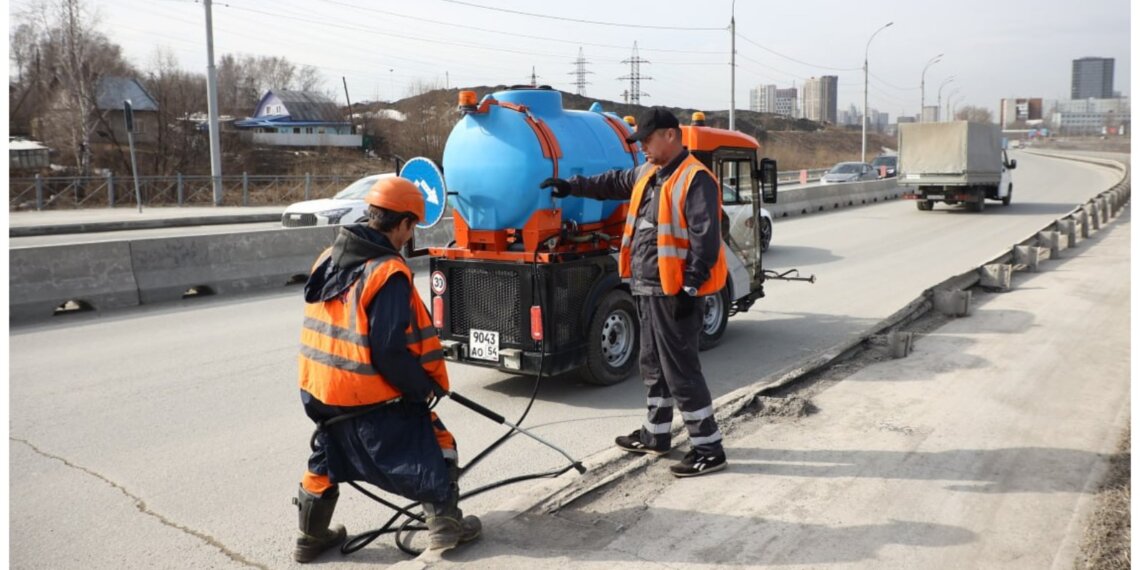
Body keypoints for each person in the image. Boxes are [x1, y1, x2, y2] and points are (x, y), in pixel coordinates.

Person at [292, 176, 480, 563]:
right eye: (411, 227)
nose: (408, 237)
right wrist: (420, 388)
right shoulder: (387, 272)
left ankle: (309, 538)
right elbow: (388, 348)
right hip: (365, 395)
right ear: (404, 223)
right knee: (437, 444)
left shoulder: (327, 258)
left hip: (319, 392)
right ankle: (445, 529)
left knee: (329, 452)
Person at [541, 107, 728, 478]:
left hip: (674, 292)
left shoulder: (695, 178)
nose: (642, 146)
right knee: (653, 365)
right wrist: (572, 186)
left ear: (671, 135)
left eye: (646, 139)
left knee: (681, 371)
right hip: (646, 287)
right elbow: (612, 182)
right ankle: (656, 435)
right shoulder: (649, 173)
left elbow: (706, 240)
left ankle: (709, 447)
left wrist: (688, 288)